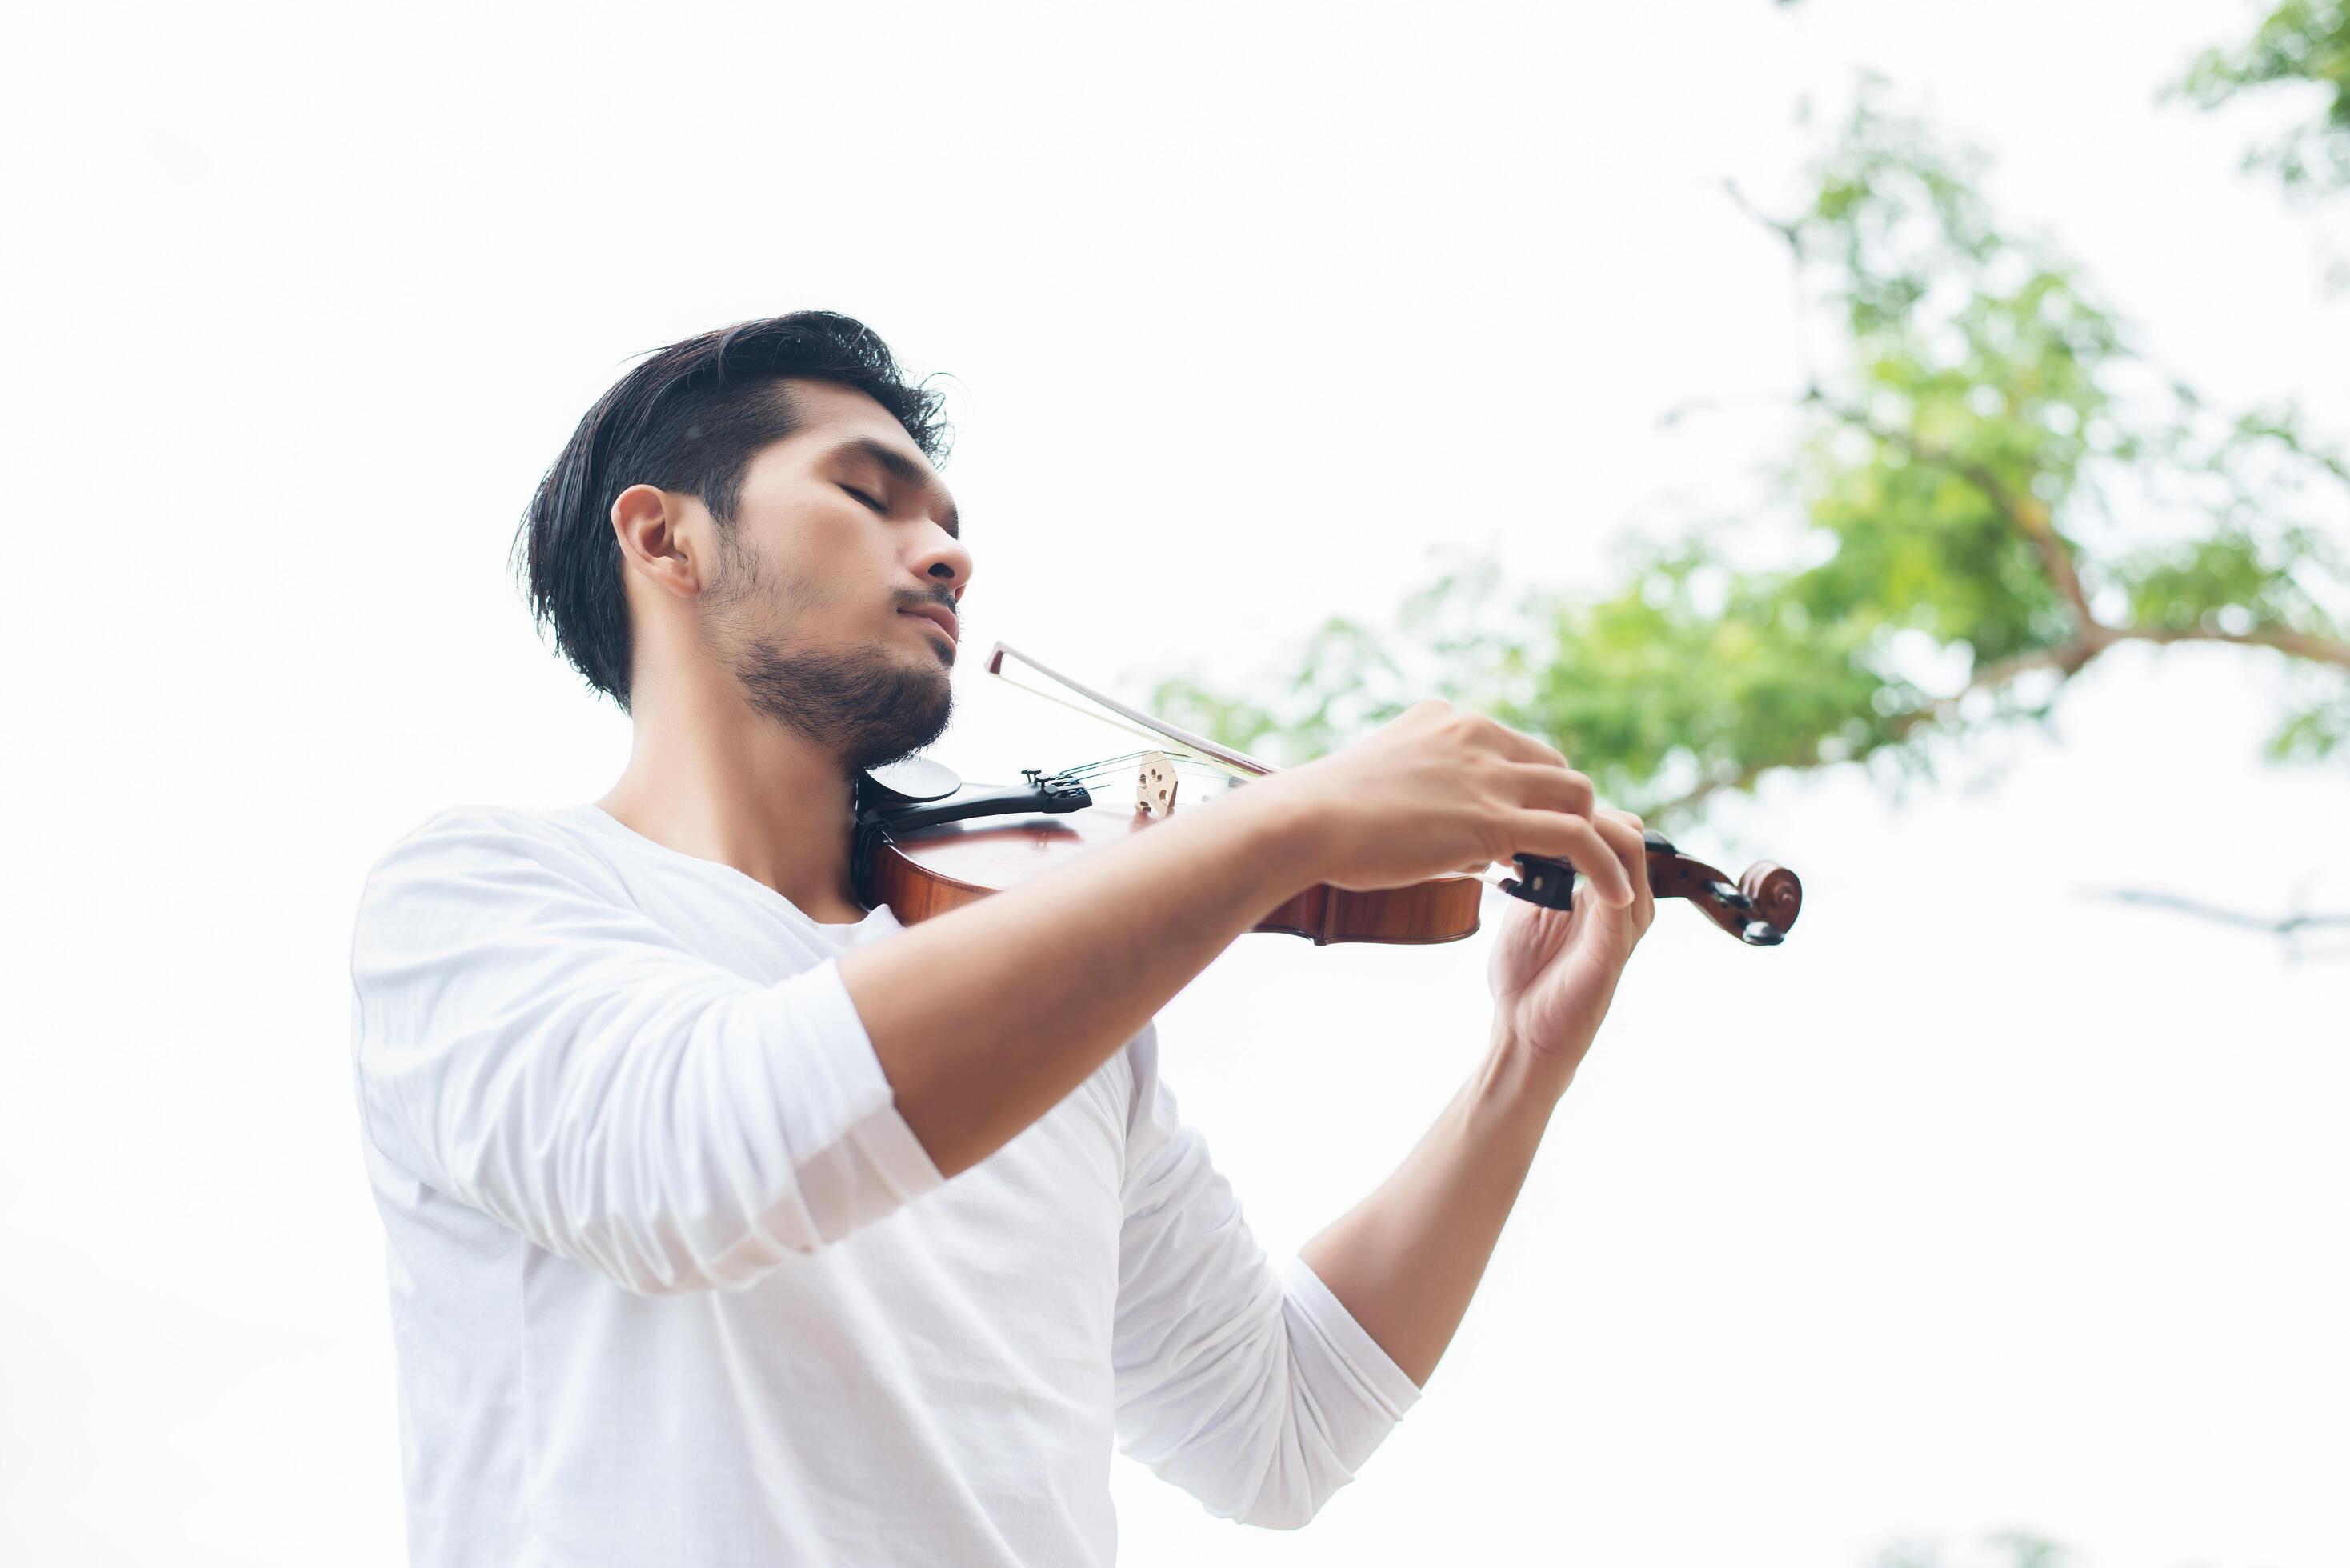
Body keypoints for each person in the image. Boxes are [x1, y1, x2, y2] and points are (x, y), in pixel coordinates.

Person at [348, 310, 1655, 1568]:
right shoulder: (485, 895)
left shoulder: (1059, 1011)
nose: (946, 554)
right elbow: (699, 1162)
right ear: (666, 538)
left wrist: (1518, 1070)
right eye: (870, 495)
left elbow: (1278, 1435)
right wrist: (1290, 823)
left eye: (950, 526)